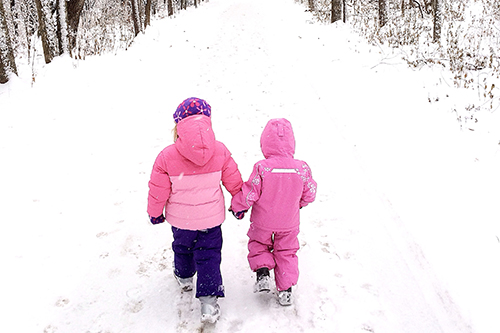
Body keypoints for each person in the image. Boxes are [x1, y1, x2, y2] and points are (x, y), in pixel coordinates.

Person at [147, 97, 243, 323]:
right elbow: (235, 183)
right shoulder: (220, 151)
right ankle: (209, 302)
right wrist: (238, 204)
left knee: (182, 247)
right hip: (211, 221)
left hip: (181, 221)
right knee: (209, 256)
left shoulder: (166, 156)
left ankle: (184, 276)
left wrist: (155, 212)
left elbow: (157, 189)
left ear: (178, 127)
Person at [229, 118, 317, 306]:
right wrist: (299, 203)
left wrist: (238, 207)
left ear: (265, 144)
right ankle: (285, 290)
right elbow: (310, 192)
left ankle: (262, 273)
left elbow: (250, 192)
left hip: (263, 222)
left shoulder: (263, 167)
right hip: (289, 223)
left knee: (259, 244)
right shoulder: (302, 168)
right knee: (286, 252)